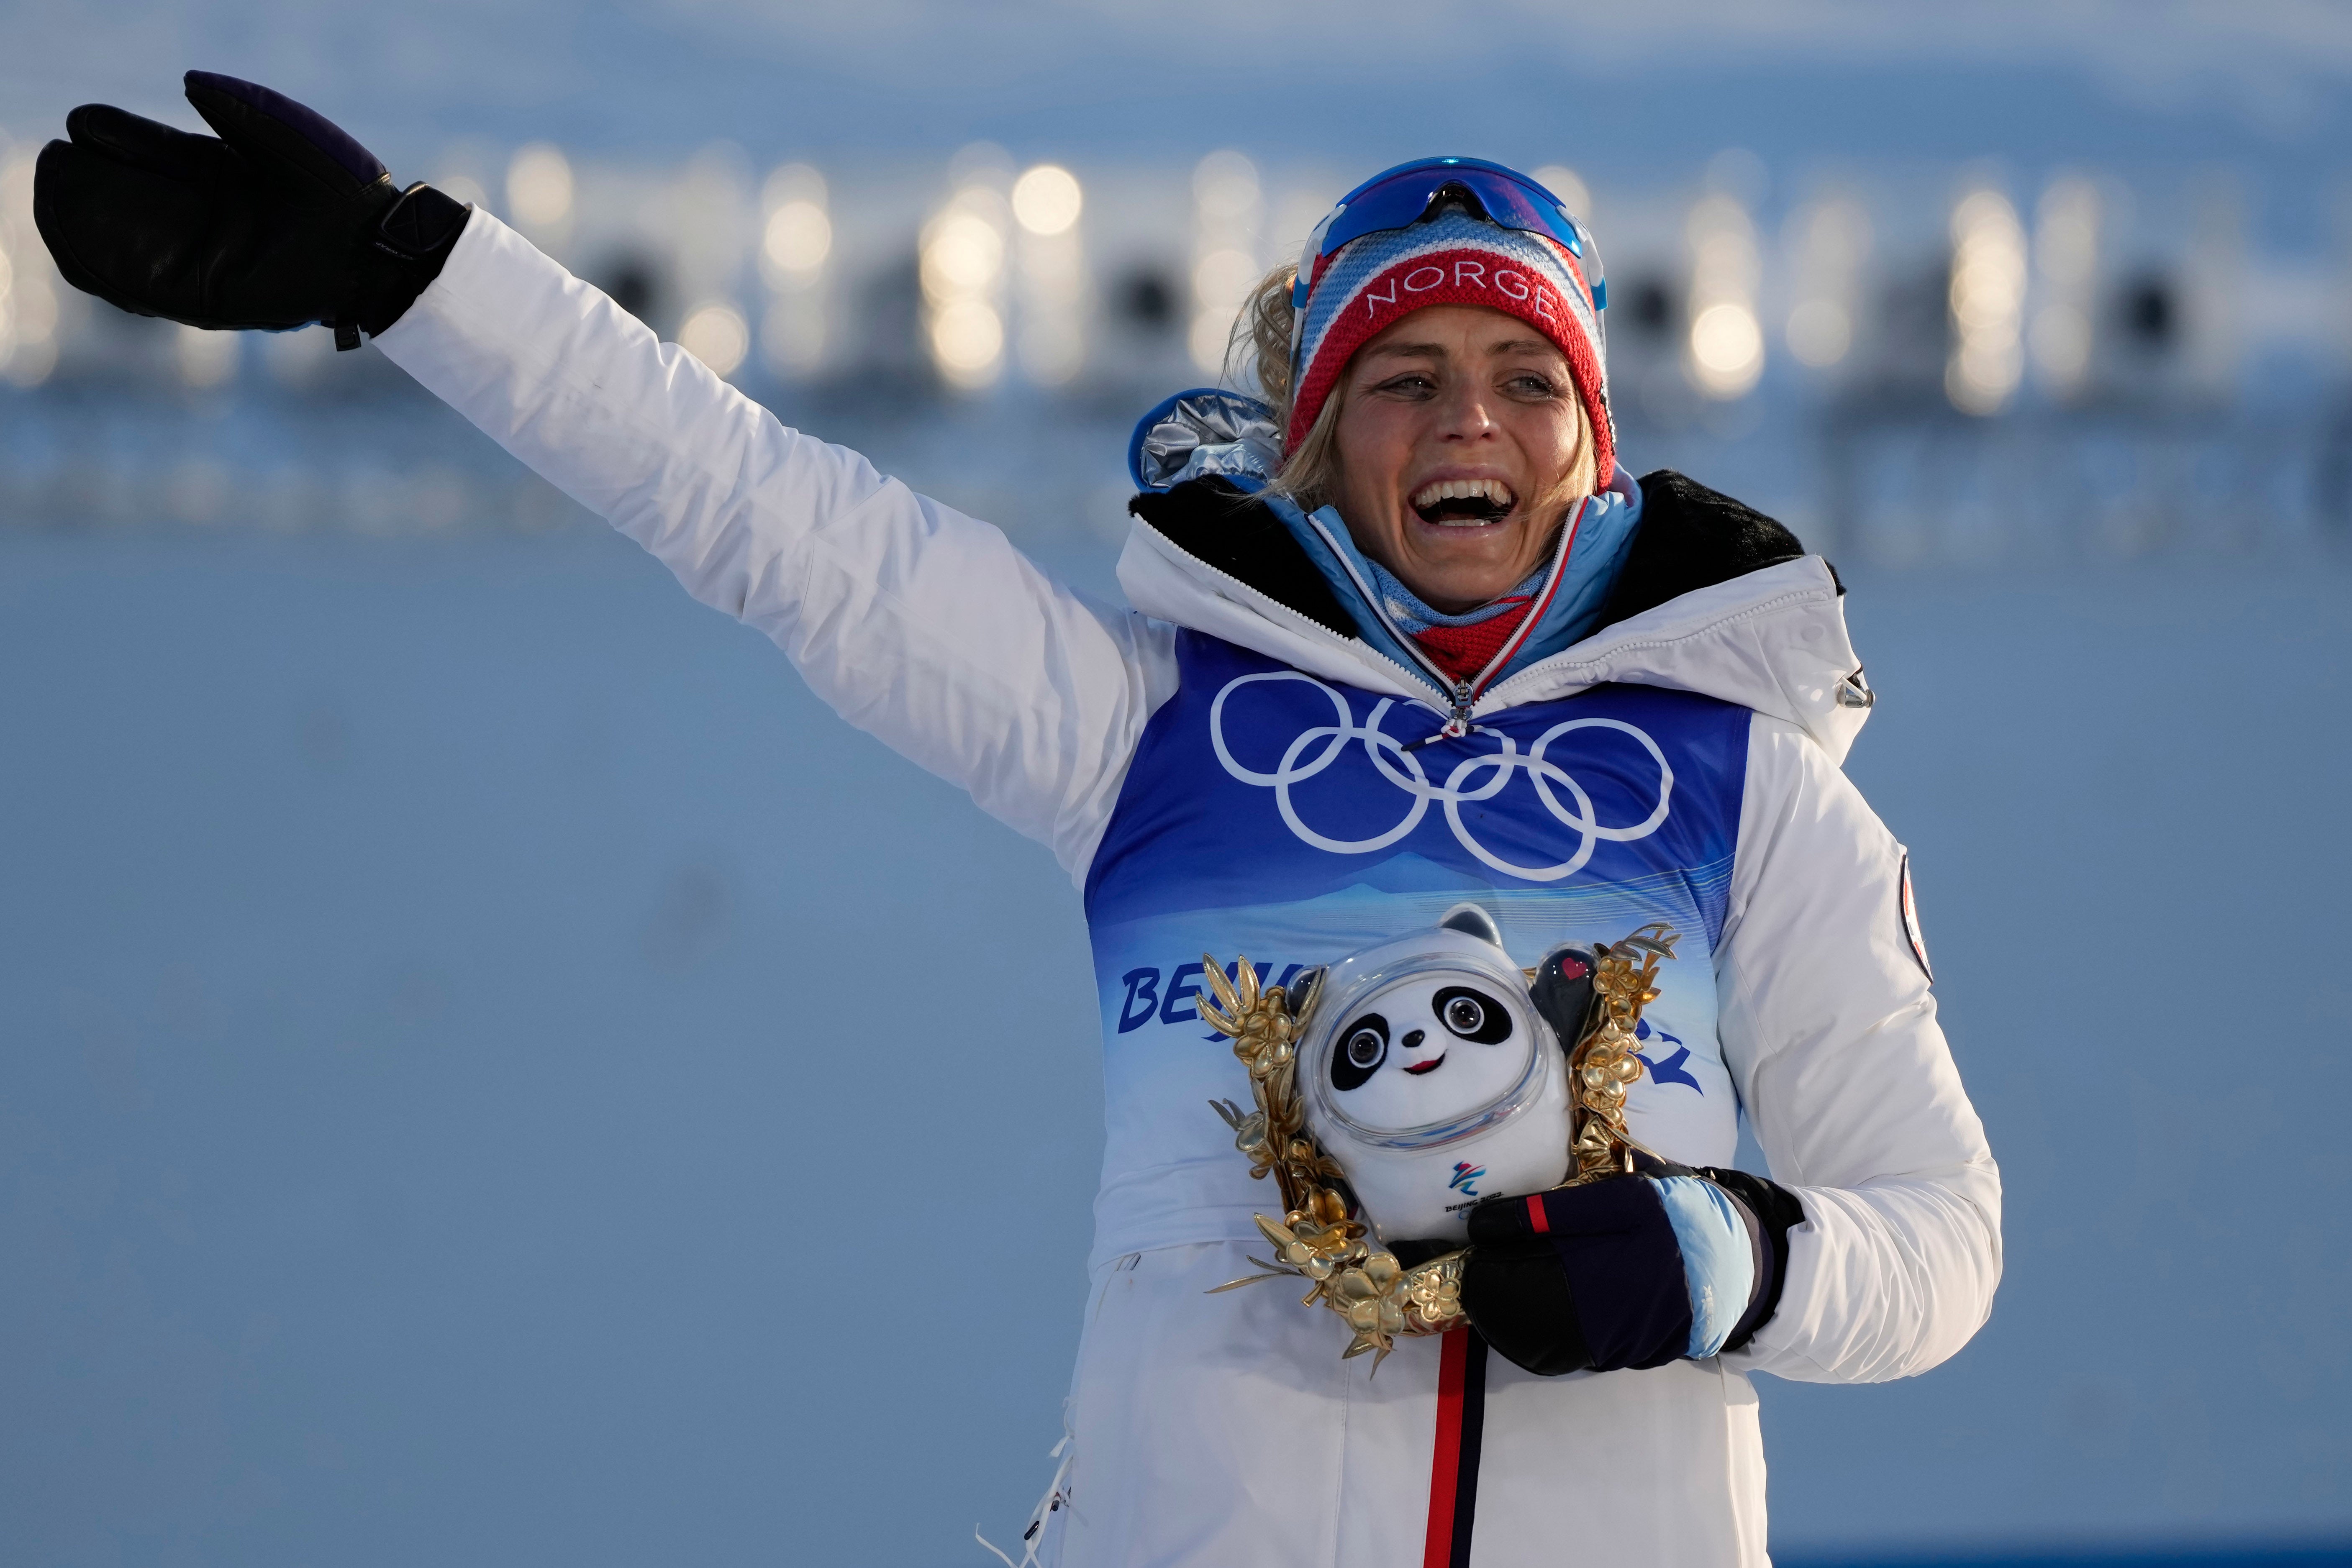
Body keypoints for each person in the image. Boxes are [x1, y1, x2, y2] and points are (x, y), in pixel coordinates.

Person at [35, 74, 2001, 1568]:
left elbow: (1941, 1243)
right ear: (1318, 445)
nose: (1464, 420)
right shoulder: (1146, 728)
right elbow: (770, 519)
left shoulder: (1749, 790)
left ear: (1593, 441)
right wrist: (412, 273)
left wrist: (1715, 1258)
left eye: (1518, 376)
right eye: (1401, 376)